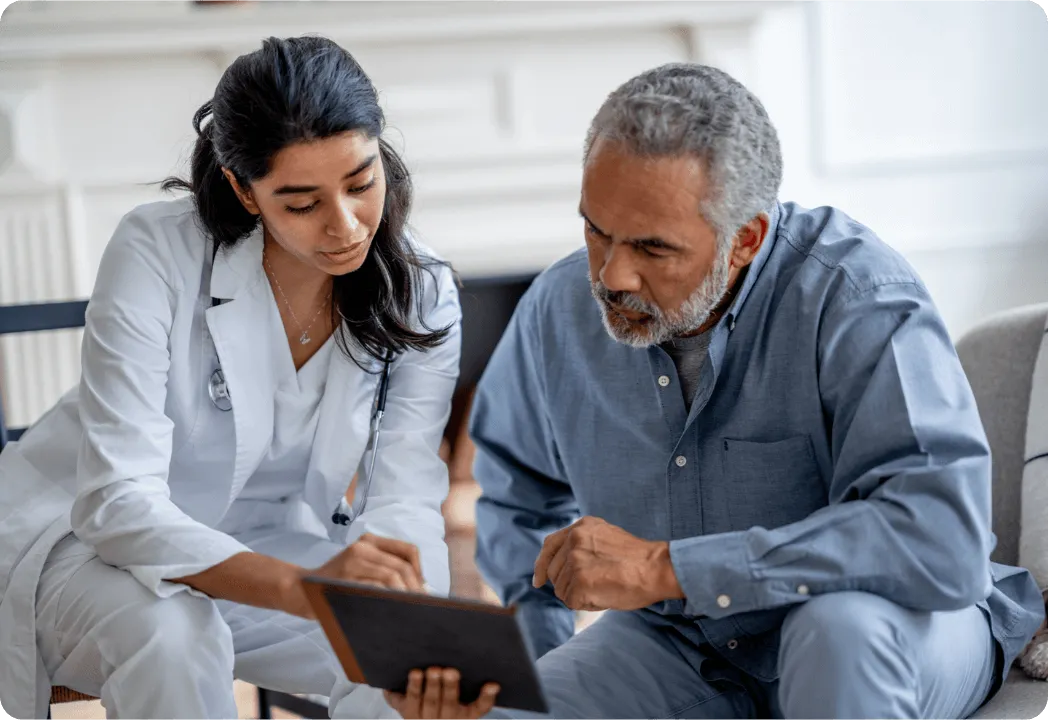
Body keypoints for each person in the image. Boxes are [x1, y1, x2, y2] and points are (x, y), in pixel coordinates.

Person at [457, 64, 1046, 719]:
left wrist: (668, 569)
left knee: (838, 634)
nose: (612, 274)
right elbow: (518, 496)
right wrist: (536, 657)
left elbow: (940, 537)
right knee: (518, 710)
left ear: (745, 240)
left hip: (883, 623)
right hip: (683, 643)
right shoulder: (558, 309)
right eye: (596, 230)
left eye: (653, 248)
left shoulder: (856, 295)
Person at [0, 36, 461, 720]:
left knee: (401, 655)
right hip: (80, 542)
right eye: (301, 203)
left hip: (270, 542)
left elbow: (407, 495)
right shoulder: (155, 250)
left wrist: (408, 607)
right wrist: (300, 588)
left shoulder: (420, 290)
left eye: (361, 183)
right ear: (244, 190)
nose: (345, 226)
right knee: (175, 636)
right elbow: (117, 503)